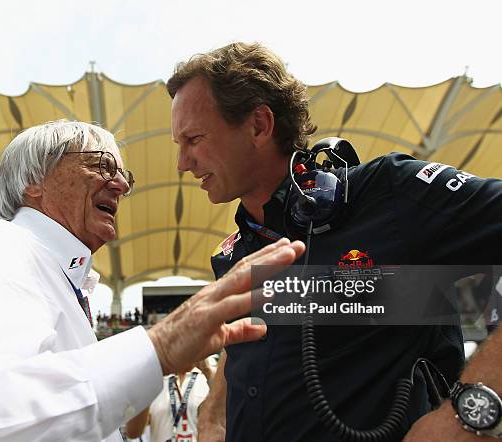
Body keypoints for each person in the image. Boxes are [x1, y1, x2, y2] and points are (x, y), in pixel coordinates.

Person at [167, 42, 502, 441]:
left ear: (259, 124)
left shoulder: (387, 193)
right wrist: (212, 412)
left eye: (194, 139)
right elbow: (251, 345)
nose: (182, 163)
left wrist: (469, 410)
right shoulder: (234, 253)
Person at [0, 120, 305, 441]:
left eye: (125, 174)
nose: (122, 185)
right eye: (102, 165)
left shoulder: (60, 279)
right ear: (34, 181)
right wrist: (156, 348)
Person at [125, 358, 215, 441]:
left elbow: (224, 416)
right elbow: (133, 432)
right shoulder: (156, 380)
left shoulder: (208, 377)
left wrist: (207, 371)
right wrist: (147, 381)